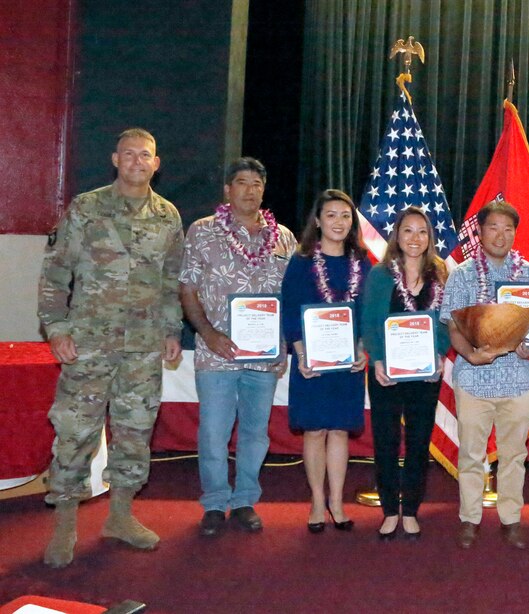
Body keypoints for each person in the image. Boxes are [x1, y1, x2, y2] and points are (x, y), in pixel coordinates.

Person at [39, 128, 184, 568]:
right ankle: (65, 522)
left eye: (146, 155)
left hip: (142, 347)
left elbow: (171, 281)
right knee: (75, 430)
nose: (137, 162)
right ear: (115, 159)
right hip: (89, 342)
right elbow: (56, 272)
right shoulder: (87, 208)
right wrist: (57, 327)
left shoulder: (167, 217)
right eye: (129, 154)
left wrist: (171, 329)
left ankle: (120, 516)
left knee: (136, 430)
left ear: (156, 164)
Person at [179, 157, 297, 537]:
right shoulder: (202, 232)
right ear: (227, 190)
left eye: (257, 184)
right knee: (213, 431)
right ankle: (215, 502)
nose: (250, 190)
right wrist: (208, 333)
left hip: (264, 358)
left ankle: (245, 499)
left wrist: (285, 342)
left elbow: (293, 295)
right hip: (218, 353)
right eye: (242, 183)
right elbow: (187, 287)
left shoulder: (284, 238)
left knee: (255, 432)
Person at [439, 199, 529, 550]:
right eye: (493, 227)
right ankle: (469, 517)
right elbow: (453, 326)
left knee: (514, 455)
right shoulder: (462, 274)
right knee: (471, 454)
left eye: (508, 228)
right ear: (480, 232)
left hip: (517, 381)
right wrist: (470, 354)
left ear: (515, 232)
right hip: (473, 380)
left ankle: (511, 518)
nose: (501, 234)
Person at [281, 189, 370, 533]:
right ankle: (317, 500)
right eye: (331, 215)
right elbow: (290, 310)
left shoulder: (361, 262)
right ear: (317, 221)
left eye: (345, 216)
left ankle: (337, 501)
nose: (339, 222)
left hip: (348, 363)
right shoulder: (302, 261)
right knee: (315, 430)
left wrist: (362, 347)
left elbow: (366, 311)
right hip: (311, 363)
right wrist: (302, 354)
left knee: (340, 430)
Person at [360, 207, 450, 541]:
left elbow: (445, 321)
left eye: (422, 232)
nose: (415, 238)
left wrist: (439, 356)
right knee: (385, 440)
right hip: (386, 372)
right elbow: (370, 321)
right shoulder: (381, 274)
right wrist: (379, 361)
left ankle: (410, 509)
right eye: (408, 231)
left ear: (430, 237)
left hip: (426, 373)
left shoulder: (440, 274)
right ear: (397, 235)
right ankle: (388, 510)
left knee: (417, 440)